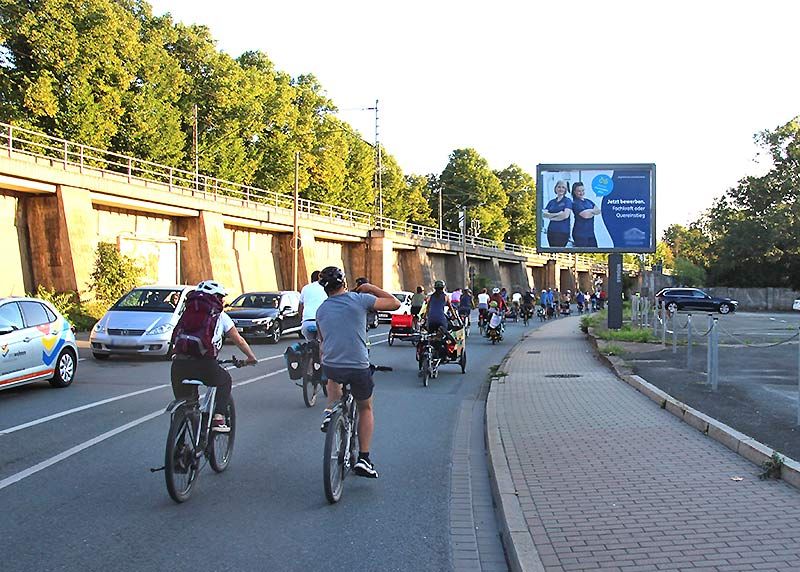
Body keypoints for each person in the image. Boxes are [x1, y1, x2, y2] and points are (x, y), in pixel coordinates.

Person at [316, 267, 400, 479]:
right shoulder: (360, 299)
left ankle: (330, 412)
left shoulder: (321, 309)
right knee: (365, 407)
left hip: (332, 365)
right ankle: (363, 458)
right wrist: (368, 287)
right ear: (344, 283)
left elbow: (322, 342)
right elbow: (395, 303)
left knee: (333, 375)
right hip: (357, 365)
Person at [170, 280, 258, 433]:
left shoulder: (187, 312)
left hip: (179, 365)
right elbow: (239, 340)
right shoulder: (220, 316)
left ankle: (179, 447)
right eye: (222, 297)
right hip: (205, 365)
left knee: (184, 405)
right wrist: (251, 358)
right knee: (225, 380)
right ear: (216, 298)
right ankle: (218, 417)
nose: (223, 301)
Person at [542, 180, 573, 248]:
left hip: (563, 232)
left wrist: (551, 217)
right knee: (552, 251)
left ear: (565, 190)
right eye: (559, 187)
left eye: (563, 187)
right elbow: (544, 214)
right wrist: (558, 214)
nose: (561, 189)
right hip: (551, 231)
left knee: (560, 251)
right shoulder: (551, 202)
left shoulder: (567, 201)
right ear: (556, 188)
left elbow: (565, 215)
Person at [298, 270, 327, 341]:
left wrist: (301, 319)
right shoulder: (325, 288)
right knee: (323, 343)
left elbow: (300, 307)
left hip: (307, 322)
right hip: (321, 322)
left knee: (310, 344)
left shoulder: (305, 288)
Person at [570, 182, 601, 247]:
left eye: (583, 190)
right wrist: (592, 212)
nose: (581, 192)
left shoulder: (588, 201)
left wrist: (589, 211)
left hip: (591, 234)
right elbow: (586, 215)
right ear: (574, 192)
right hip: (580, 234)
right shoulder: (575, 203)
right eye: (579, 191)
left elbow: (598, 211)